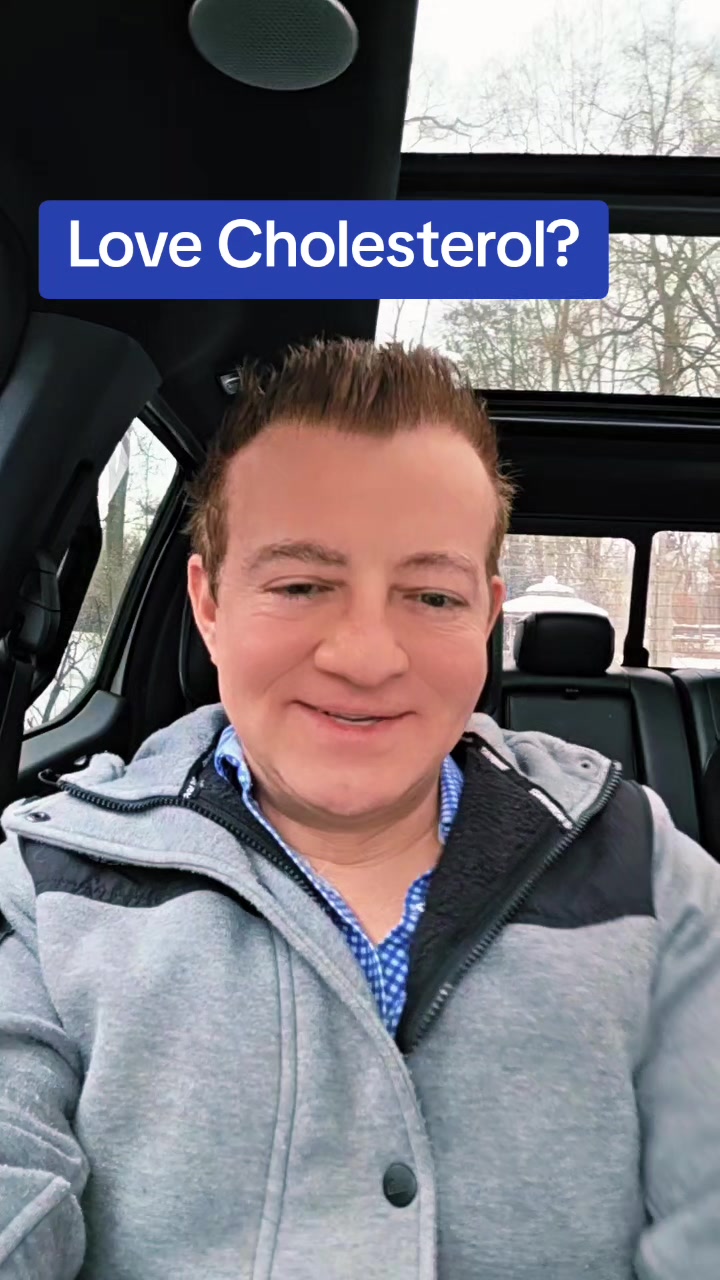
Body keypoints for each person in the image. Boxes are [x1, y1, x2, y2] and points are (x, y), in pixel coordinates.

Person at [0, 339, 718, 1280]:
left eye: (432, 595)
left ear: (486, 615)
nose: (368, 657)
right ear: (209, 603)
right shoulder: (50, 885)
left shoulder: (652, 875)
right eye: (302, 586)